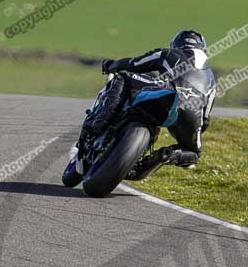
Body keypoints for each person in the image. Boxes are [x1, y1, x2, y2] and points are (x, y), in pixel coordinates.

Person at [85, 29, 216, 178]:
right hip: (192, 114)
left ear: (177, 44)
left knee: (123, 76)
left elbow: (135, 64)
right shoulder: (211, 78)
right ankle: (165, 156)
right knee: (194, 153)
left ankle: (100, 121)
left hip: (167, 95)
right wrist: (191, 128)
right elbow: (205, 119)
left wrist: (112, 65)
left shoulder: (169, 54)